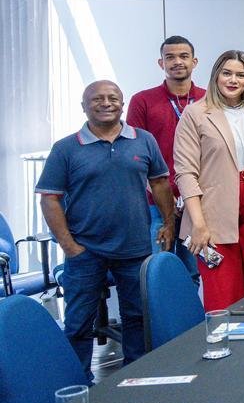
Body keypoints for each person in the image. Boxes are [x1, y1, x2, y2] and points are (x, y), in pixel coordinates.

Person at [36, 81, 174, 379]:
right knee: (78, 323)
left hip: (135, 248)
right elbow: (50, 199)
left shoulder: (143, 140)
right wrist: (68, 245)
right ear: (84, 106)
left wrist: (168, 222)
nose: (106, 103)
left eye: (113, 98)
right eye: (97, 99)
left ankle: (134, 377)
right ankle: (77, 385)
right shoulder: (66, 148)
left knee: (137, 318)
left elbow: (160, 183)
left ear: (122, 104)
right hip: (85, 251)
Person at [172, 50, 244, 310]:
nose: (233, 80)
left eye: (240, 75)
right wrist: (198, 224)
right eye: (227, 73)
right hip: (212, 218)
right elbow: (185, 173)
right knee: (223, 299)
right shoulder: (195, 113)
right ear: (216, 75)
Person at [126, 35, 205, 277]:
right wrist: (166, 200)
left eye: (183, 56)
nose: (177, 62)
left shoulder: (208, 99)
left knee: (193, 272)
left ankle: (190, 306)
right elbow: (136, 155)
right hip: (157, 203)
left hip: (198, 201)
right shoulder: (142, 101)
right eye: (170, 57)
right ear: (161, 63)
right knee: (160, 272)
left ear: (194, 62)